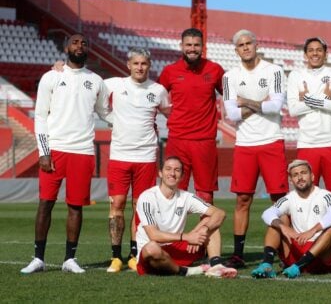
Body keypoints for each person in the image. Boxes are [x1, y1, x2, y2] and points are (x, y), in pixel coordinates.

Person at [21, 33, 110, 274]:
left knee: (76, 206)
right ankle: (38, 258)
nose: (80, 45)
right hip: (55, 150)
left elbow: (105, 112)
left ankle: (70, 259)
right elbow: (40, 116)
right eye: (75, 42)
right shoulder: (51, 76)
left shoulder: (97, 81)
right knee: (45, 203)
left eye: (84, 42)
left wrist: (129, 123)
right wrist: (44, 151)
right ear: (66, 47)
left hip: (82, 151)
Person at [286, 37, 331, 270]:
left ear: (325, 53)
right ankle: (304, 250)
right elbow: (293, 108)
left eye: (319, 50)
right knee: (304, 200)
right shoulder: (296, 75)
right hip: (307, 144)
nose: (315, 54)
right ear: (305, 54)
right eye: (311, 51)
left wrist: (308, 98)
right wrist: (324, 99)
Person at [223, 29, 288, 268]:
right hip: (245, 144)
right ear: (236, 50)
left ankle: (284, 250)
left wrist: (246, 102)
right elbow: (231, 114)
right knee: (242, 199)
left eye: (249, 43)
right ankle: (238, 254)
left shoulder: (274, 71)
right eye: (241, 45)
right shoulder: (230, 76)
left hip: (271, 140)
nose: (246, 47)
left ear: (256, 44)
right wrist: (262, 104)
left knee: (280, 199)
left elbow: (277, 106)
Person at [103, 48, 171, 272]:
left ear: (149, 65)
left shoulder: (158, 90)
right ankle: (115, 256)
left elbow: (170, 113)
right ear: (128, 65)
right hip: (119, 156)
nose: (140, 67)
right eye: (136, 63)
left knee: (139, 207)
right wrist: (112, 119)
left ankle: (134, 254)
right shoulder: (114, 84)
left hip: (146, 156)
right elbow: (91, 91)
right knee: (117, 205)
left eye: (144, 63)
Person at [135, 156, 237, 278]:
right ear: (160, 173)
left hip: (177, 249)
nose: (172, 173)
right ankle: (185, 271)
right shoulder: (147, 197)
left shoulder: (186, 197)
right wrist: (187, 237)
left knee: (212, 223)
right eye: (168, 169)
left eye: (177, 170)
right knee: (152, 247)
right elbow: (154, 235)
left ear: (182, 176)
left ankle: (216, 266)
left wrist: (200, 231)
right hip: (152, 256)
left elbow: (220, 213)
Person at [158, 28, 224, 205]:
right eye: (188, 45)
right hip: (177, 140)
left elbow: (230, 95)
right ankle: (174, 233)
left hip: (205, 141)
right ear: (181, 46)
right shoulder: (170, 71)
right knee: (174, 191)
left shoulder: (215, 70)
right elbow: (155, 97)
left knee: (205, 194)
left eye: (196, 45)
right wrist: (166, 111)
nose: (192, 49)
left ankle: (204, 233)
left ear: (202, 46)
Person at [251, 159, 331, 279]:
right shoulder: (289, 198)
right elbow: (267, 213)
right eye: (295, 175)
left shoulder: (326, 196)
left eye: (303, 173)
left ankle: (299, 266)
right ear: (291, 180)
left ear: (312, 176)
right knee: (276, 221)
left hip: (321, 253)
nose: (300, 177)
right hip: (298, 246)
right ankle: (266, 264)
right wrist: (283, 227)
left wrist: (312, 231)